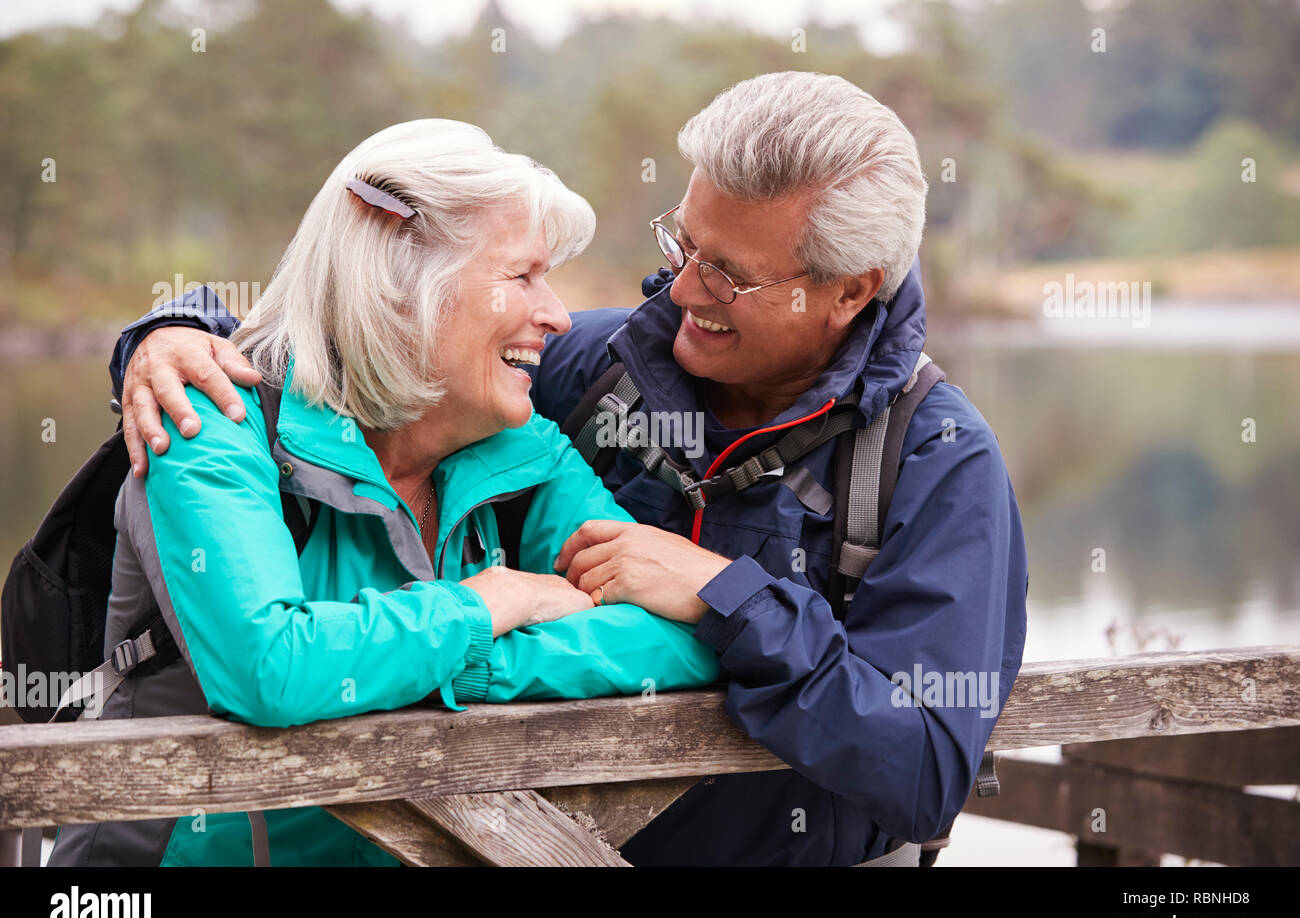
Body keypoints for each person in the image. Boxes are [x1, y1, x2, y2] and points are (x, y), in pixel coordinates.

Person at [109, 72, 1029, 867]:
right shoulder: (593, 370)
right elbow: (349, 321)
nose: (682, 290)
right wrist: (170, 333)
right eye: (683, 245)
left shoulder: (937, 461)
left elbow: (922, 766)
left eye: (730, 275)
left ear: (850, 288)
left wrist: (728, 598)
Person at [48, 118, 718, 867]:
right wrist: (492, 603)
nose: (557, 315)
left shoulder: (526, 450)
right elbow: (272, 668)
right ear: (401, 285)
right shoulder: (213, 414)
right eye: (522, 276)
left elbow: (686, 635)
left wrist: (467, 662)